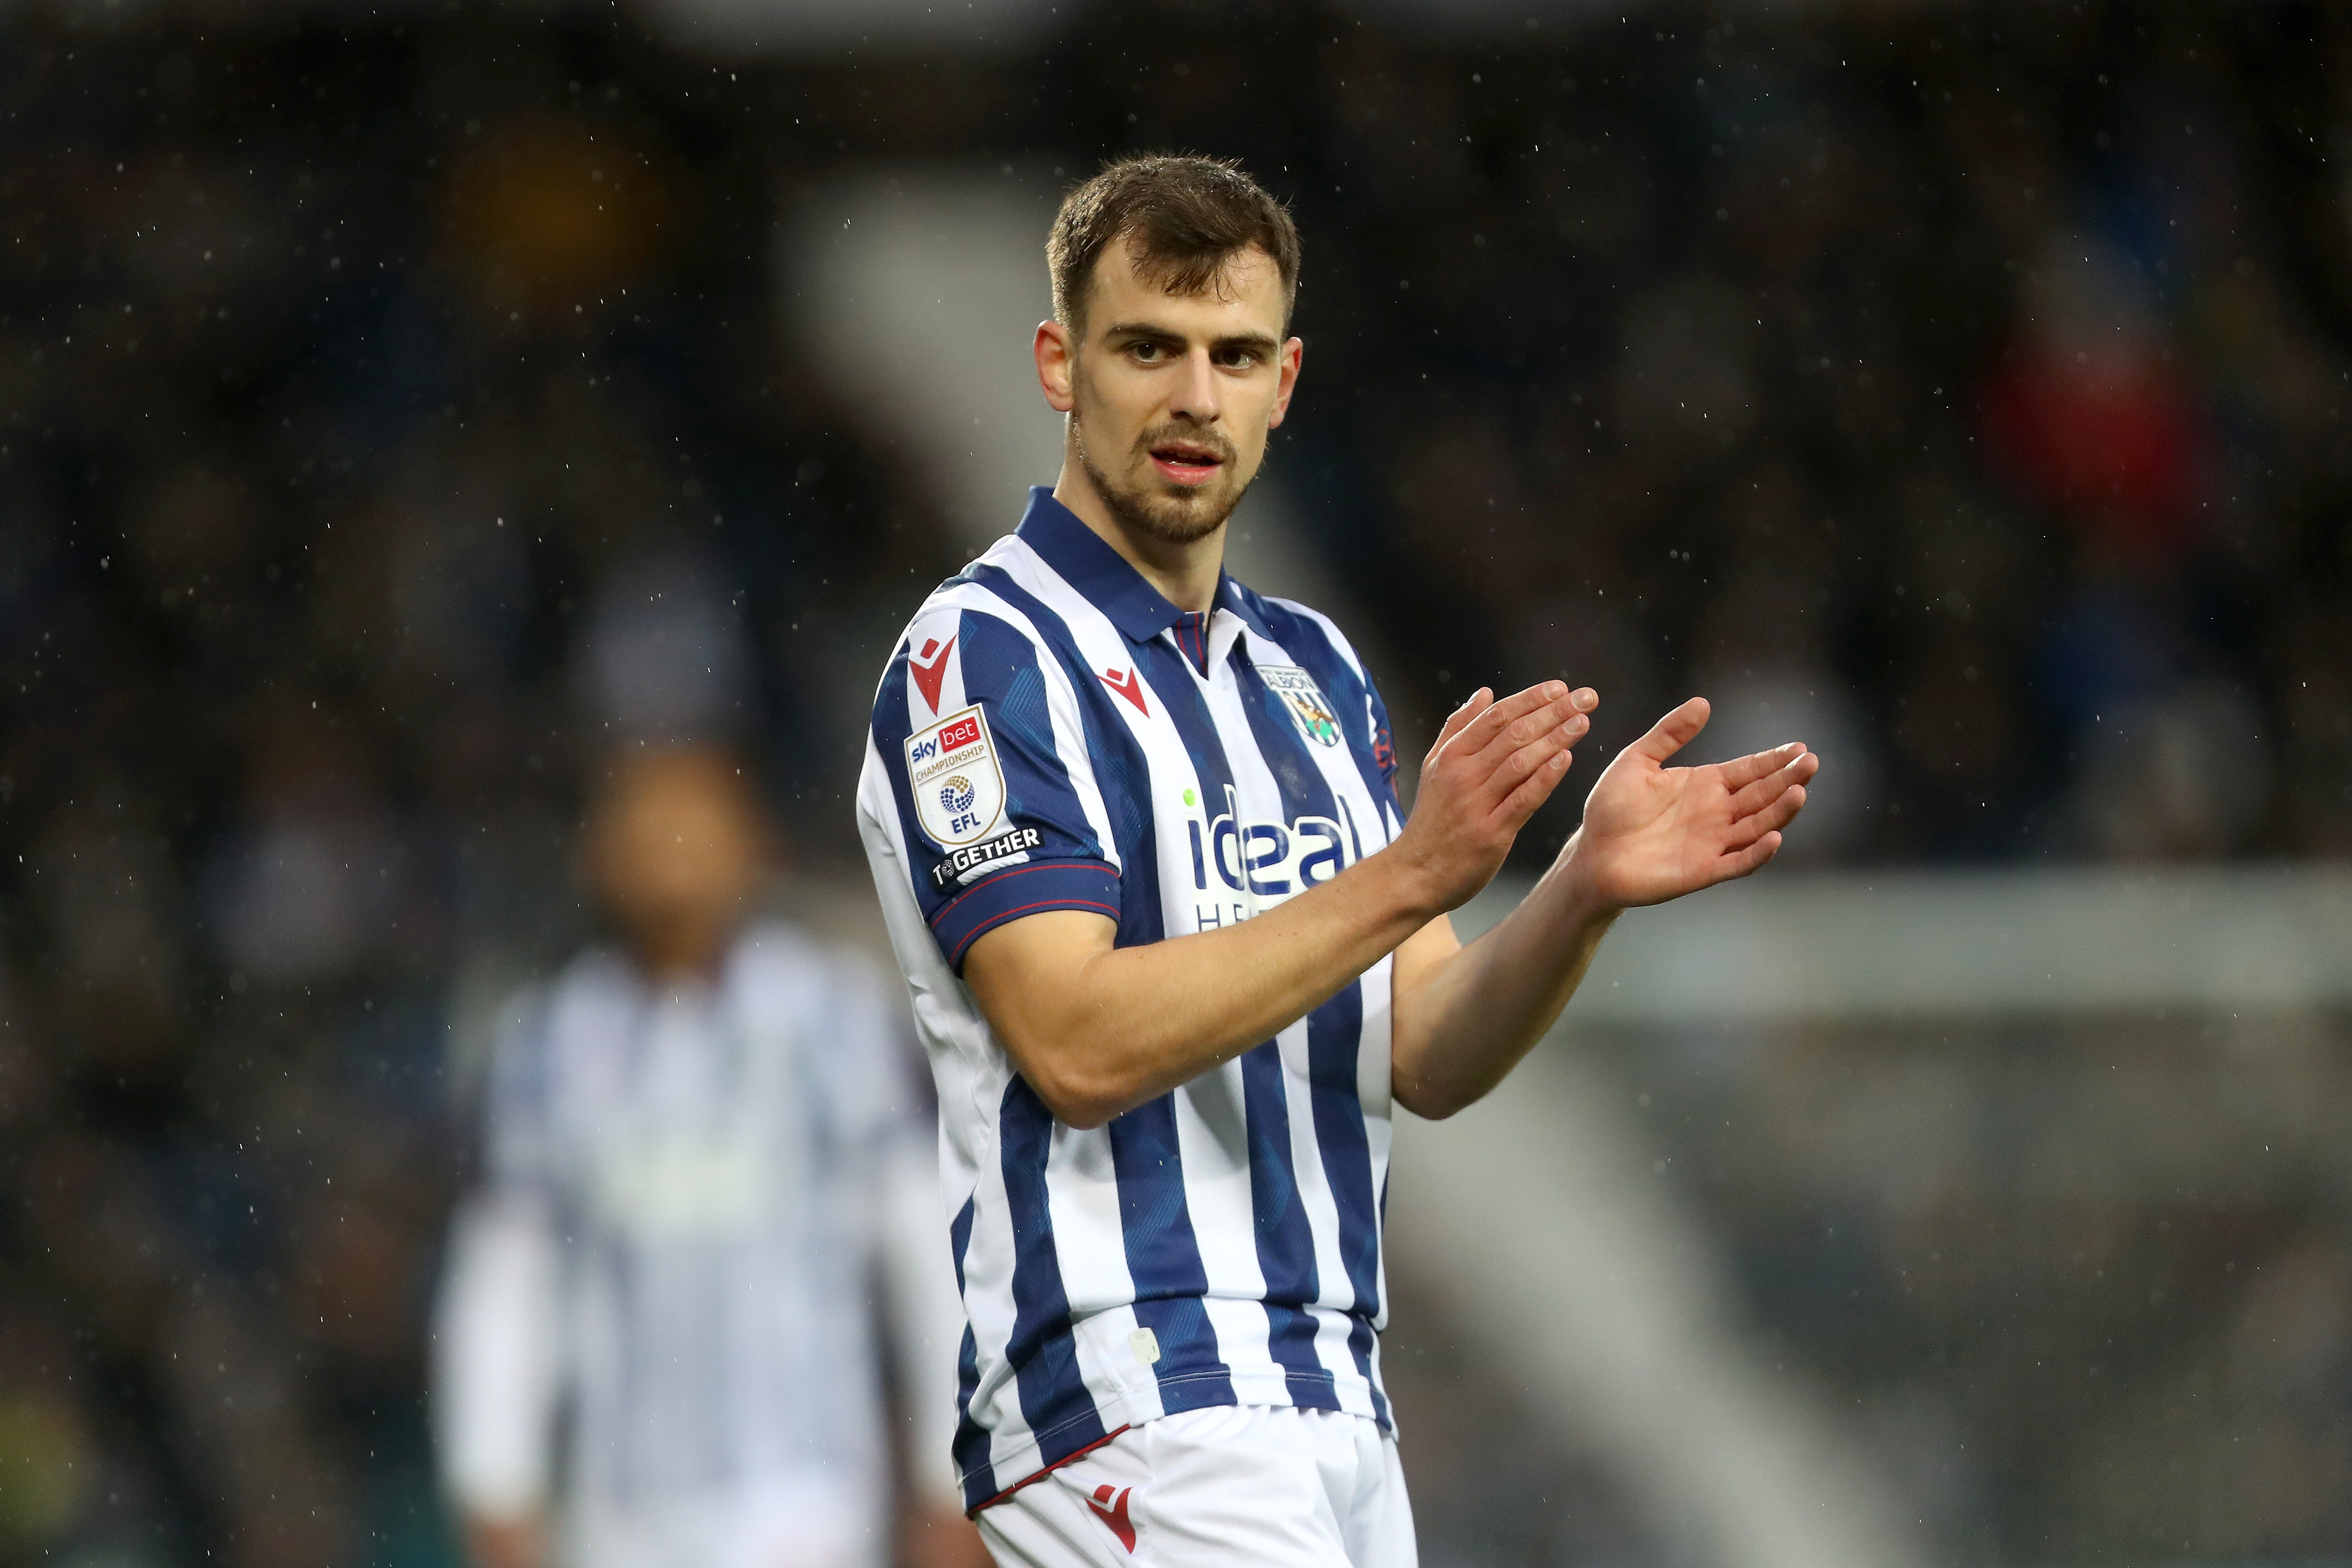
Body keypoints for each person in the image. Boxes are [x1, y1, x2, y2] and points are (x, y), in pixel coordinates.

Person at [854, 155, 1819, 1568]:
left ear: (1285, 381)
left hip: (1335, 1402)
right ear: (1061, 364)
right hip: (1135, 1390)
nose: (1196, 396)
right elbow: (1070, 1039)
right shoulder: (984, 656)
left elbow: (1419, 1042)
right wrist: (1409, 873)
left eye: (1235, 355)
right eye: (1149, 349)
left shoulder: (1310, 669)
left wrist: (1577, 891)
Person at [435, 745, 990, 1568]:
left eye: (694, 814)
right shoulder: (546, 1044)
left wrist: (955, 1474)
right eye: (644, 817)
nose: (670, 842)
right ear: (597, 852)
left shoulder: (834, 1019)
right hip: (621, 1511)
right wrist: (494, 1480)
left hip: (810, 1497)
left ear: (753, 843)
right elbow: (508, 1279)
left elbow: (923, 1251)